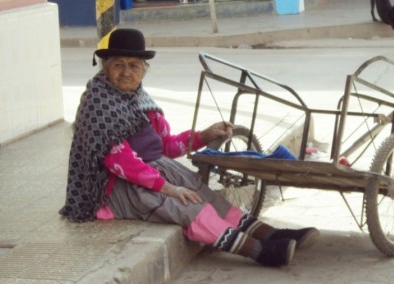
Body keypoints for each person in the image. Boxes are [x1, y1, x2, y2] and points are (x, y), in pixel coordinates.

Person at [59, 28, 319, 267]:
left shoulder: (140, 99)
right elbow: (121, 161)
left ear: (144, 70)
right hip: (114, 187)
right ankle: (260, 251)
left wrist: (203, 136)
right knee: (186, 208)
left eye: (134, 65)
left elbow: (165, 145)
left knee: (208, 197)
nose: (126, 72)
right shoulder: (98, 102)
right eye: (118, 65)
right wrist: (168, 187)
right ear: (105, 67)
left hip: (152, 174)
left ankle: (269, 234)